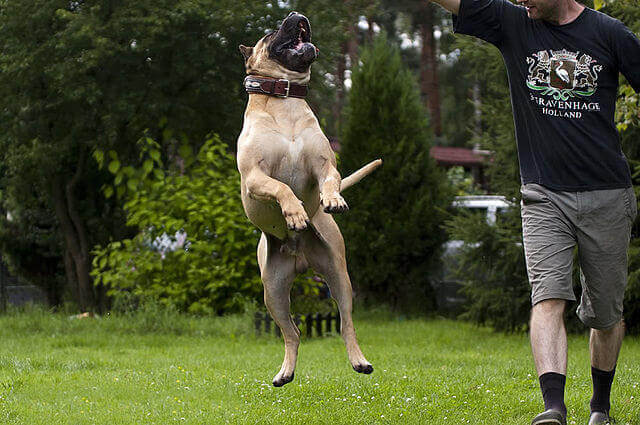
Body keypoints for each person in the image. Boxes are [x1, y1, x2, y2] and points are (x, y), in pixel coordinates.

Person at [426, 0, 640, 424]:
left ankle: (600, 406)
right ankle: (553, 408)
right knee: (548, 297)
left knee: (606, 314)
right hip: (543, 194)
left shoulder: (609, 33)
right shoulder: (514, 23)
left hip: (607, 195)